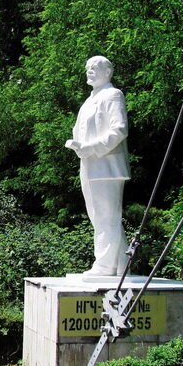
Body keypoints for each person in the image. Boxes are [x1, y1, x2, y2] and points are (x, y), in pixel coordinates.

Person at [65, 55, 130, 276]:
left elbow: (119, 130)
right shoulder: (89, 100)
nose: (89, 71)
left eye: (94, 67)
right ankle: (120, 265)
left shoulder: (113, 95)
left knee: (107, 217)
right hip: (90, 165)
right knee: (98, 217)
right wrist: (79, 147)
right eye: (88, 67)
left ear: (107, 72)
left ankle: (106, 266)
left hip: (107, 166)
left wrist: (90, 148)